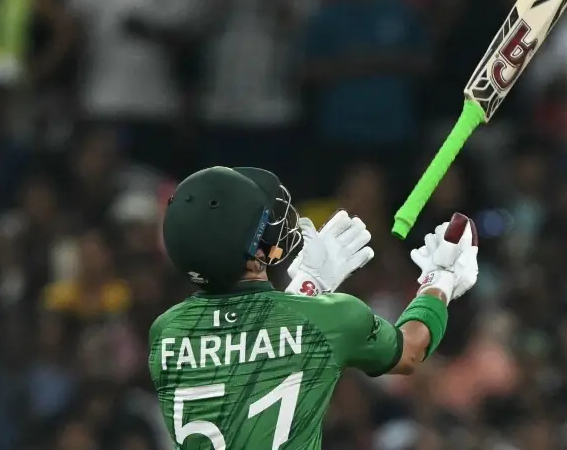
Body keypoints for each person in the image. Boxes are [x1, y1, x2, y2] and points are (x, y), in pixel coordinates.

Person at [149, 166, 479, 449]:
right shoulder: (330, 317)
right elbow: (412, 348)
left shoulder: (166, 332)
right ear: (251, 253)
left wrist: (308, 286)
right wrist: (441, 280)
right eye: (262, 224)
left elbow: (247, 364)